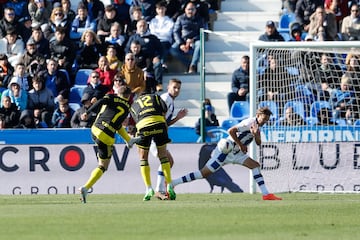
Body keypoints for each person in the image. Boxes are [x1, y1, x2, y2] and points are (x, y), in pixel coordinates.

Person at [171, 107, 283, 201]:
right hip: (226, 151)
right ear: (258, 115)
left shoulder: (257, 127)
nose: (264, 122)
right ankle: (173, 183)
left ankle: (266, 194)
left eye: (266, 120)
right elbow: (230, 131)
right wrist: (240, 144)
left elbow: (258, 143)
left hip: (237, 153)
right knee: (203, 174)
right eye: (263, 119)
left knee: (255, 166)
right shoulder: (249, 123)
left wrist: (255, 135)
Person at [78, 85, 140, 203]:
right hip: (107, 136)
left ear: (117, 93)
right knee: (103, 166)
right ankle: (86, 188)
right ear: (128, 96)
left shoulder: (111, 97)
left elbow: (101, 102)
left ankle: (129, 141)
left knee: (101, 157)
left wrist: (87, 111)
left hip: (95, 130)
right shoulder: (127, 108)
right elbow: (117, 125)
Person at [130, 92, 177, 201]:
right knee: (163, 157)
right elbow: (164, 110)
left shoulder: (134, 104)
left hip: (144, 126)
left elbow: (136, 120)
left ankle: (148, 188)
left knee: (143, 158)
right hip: (159, 123)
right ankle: (169, 184)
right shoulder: (155, 96)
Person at [151, 78, 187, 200]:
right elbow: (159, 119)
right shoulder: (166, 99)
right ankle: (160, 189)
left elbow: (165, 122)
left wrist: (177, 118)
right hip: (155, 135)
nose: (176, 90)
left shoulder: (170, 100)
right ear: (168, 87)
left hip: (158, 134)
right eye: (174, 87)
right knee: (166, 161)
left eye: (178, 88)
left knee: (168, 161)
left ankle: (162, 187)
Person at [170, 2, 206, 73]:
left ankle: (193, 66)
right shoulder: (180, 18)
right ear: (185, 10)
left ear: (195, 10)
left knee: (200, 45)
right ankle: (189, 64)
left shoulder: (200, 19)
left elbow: (202, 33)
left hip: (195, 40)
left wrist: (193, 39)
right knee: (172, 50)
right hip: (182, 40)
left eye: (192, 9)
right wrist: (181, 44)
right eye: (189, 9)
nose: (190, 11)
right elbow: (176, 32)